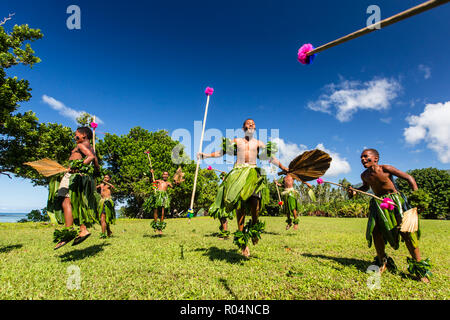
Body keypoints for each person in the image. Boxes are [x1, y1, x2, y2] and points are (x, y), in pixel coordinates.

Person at [199, 119, 288, 257]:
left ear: (255, 127)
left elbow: (270, 158)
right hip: (238, 173)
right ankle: (243, 243)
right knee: (239, 208)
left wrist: (283, 167)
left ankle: (254, 228)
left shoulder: (259, 143)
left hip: (252, 173)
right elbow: (220, 153)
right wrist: (205, 155)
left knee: (255, 206)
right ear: (243, 127)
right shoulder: (237, 141)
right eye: (248, 123)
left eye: (253, 123)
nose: (251, 124)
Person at [349, 148, 432, 282]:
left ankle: (420, 269)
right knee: (376, 232)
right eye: (361, 158)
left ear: (375, 158)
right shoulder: (364, 175)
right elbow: (365, 187)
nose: (363, 160)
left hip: (395, 203)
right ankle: (383, 262)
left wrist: (418, 198)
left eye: (366, 157)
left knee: (407, 232)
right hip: (379, 205)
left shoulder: (386, 168)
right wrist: (355, 191)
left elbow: (409, 178)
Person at [48, 127, 100, 249]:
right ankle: (82, 229)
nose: (75, 138)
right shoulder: (90, 147)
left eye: (76, 136)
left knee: (65, 201)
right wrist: (95, 173)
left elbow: (91, 157)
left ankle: (68, 231)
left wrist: (77, 167)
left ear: (84, 136)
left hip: (72, 176)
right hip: (81, 176)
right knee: (75, 204)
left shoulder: (81, 145)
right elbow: (95, 161)